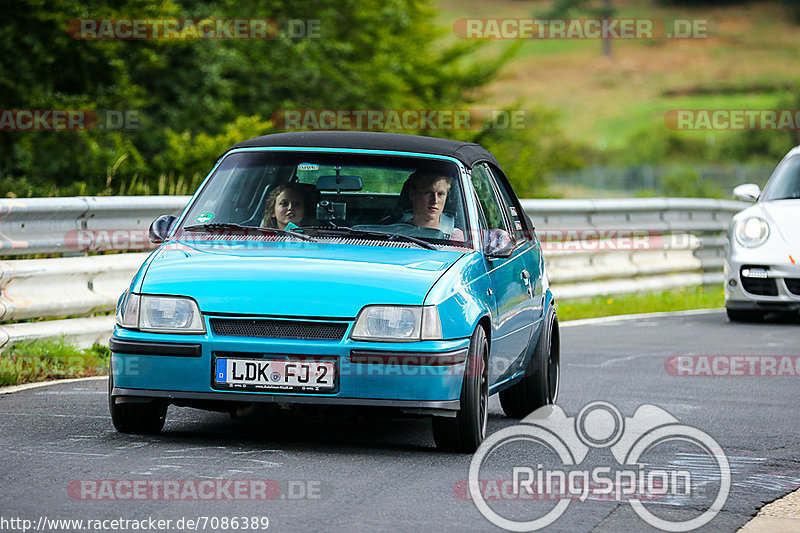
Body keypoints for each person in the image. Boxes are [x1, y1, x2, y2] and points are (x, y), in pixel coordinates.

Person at [403, 170, 465, 241]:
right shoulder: (392, 233)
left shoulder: (456, 239)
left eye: (440, 194)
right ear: (412, 194)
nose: (435, 201)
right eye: (428, 192)